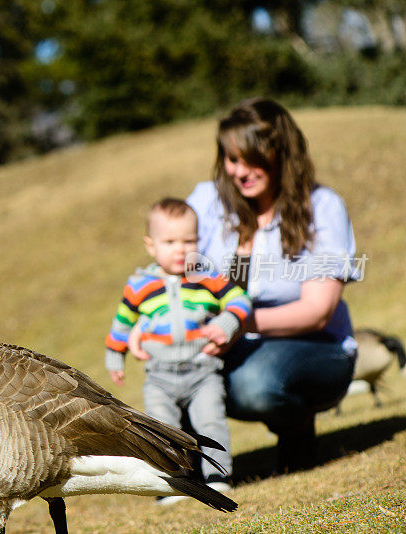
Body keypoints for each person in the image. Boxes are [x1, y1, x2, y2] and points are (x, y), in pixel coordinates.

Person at [186, 97, 360, 472]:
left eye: (252, 158)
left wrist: (235, 322)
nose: (240, 171)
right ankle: (191, 472)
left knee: (254, 383)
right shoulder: (206, 202)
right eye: (231, 159)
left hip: (314, 345)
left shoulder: (322, 206)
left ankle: (296, 429)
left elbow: (317, 311)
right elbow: (176, 270)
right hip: (226, 341)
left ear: (282, 152)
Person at [104, 198, 252, 493]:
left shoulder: (207, 277)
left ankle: (217, 478)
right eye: (170, 241)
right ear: (151, 245)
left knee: (211, 422)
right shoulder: (139, 284)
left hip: (203, 372)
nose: (181, 249)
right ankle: (174, 485)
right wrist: (114, 356)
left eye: (189, 240)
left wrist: (225, 324)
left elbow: (240, 300)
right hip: (159, 376)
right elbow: (122, 322)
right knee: (163, 432)